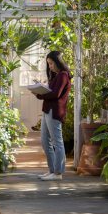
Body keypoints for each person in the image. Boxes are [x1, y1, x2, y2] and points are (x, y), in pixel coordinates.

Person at [35, 51, 72, 181]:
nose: (49, 66)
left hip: (54, 111)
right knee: (45, 142)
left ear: (58, 62)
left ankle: (58, 173)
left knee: (57, 141)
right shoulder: (56, 76)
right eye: (48, 64)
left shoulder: (63, 75)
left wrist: (40, 94)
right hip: (47, 110)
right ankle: (52, 171)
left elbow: (55, 94)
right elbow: (51, 92)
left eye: (51, 63)